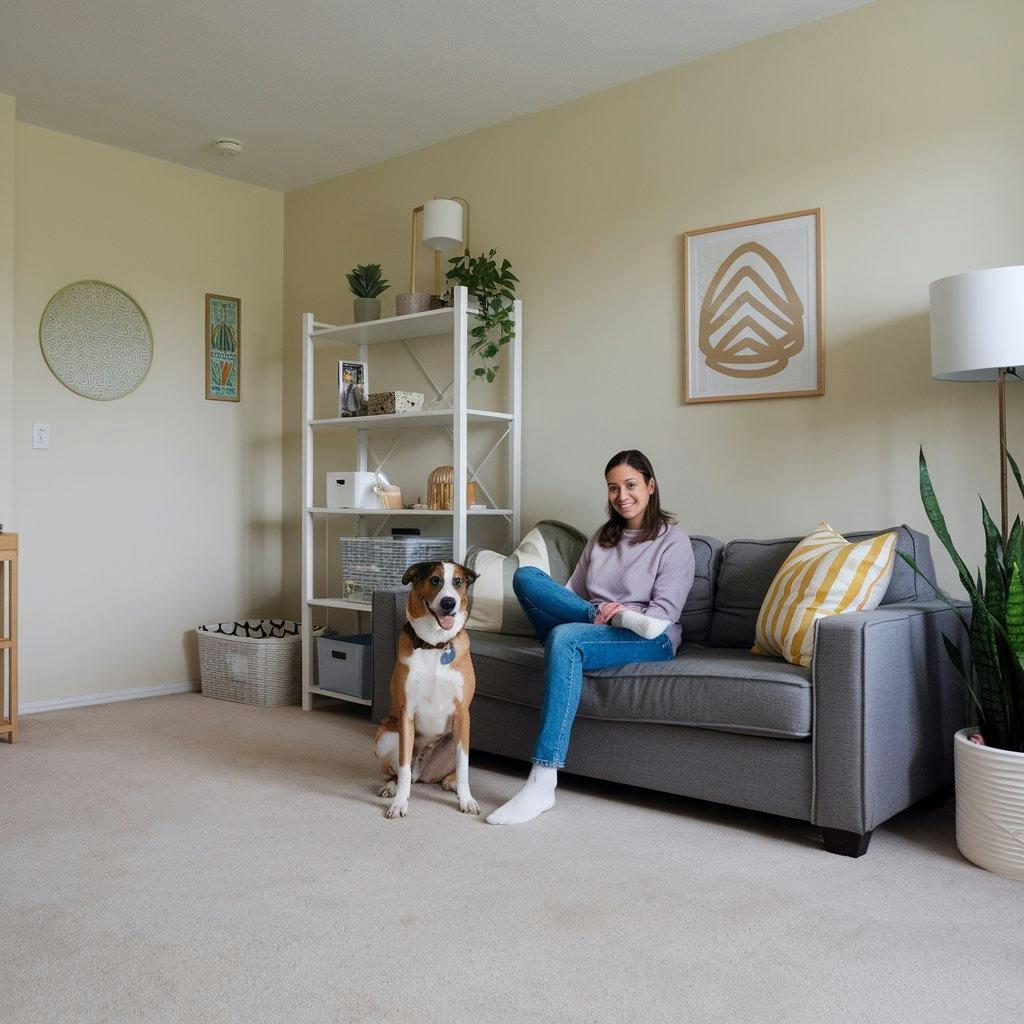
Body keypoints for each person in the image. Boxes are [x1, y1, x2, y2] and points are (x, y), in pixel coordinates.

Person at [487, 449, 696, 825]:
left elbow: (665, 615)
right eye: (613, 488)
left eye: (631, 485)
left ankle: (542, 781)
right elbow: (569, 593)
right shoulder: (602, 537)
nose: (622, 496)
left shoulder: (673, 542)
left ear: (650, 486)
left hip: (650, 635)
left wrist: (625, 616)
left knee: (567, 639)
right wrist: (594, 614)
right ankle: (596, 620)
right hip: (593, 624)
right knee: (526, 578)